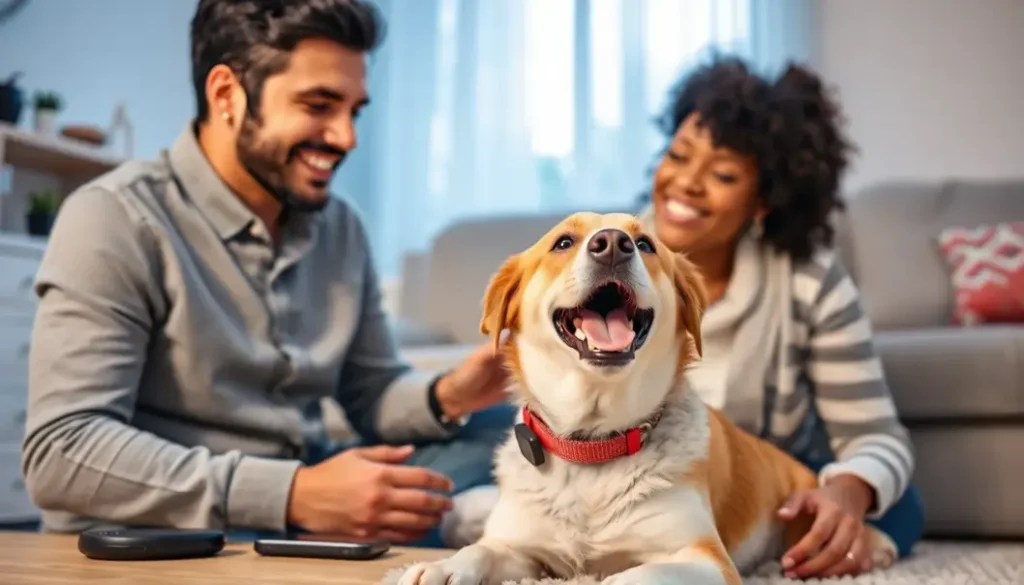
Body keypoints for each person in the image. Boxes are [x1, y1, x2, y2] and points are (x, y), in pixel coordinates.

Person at [21, 0, 515, 547]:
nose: (346, 137)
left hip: (304, 486)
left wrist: (453, 394)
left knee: (520, 430)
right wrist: (294, 493)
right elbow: (62, 449)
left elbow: (370, 393)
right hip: (177, 533)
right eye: (319, 105)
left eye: (355, 111)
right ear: (226, 94)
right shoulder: (114, 217)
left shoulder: (341, 228)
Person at [639, 57, 924, 579]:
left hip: (748, 487)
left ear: (763, 201)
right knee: (459, 479)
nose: (686, 184)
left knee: (899, 505)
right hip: (627, 476)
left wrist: (849, 492)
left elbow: (876, 437)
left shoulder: (810, 281)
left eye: (723, 174)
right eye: (678, 155)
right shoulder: (612, 259)